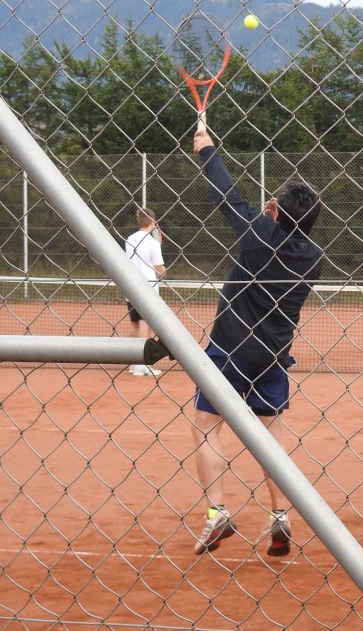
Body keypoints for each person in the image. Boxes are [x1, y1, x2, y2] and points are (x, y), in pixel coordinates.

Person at [189, 128, 323, 557]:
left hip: (229, 349)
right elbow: (284, 233)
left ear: (276, 212)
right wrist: (275, 215)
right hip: (273, 357)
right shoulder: (313, 258)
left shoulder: (259, 233)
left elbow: (226, 195)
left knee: (205, 425)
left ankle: (217, 512)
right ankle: (280, 515)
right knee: (272, 437)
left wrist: (207, 149)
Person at [124, 207, 166, 377]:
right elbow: (159, 269)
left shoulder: (130, 239)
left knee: (135, 323)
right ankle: (142, 365)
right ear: (153, 222)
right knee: (145, 324)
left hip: (130, 287)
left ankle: (133, 363)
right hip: (147, 289)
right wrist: (163, 272)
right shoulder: (152, 243)